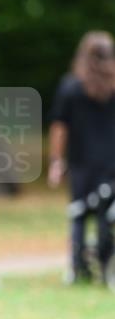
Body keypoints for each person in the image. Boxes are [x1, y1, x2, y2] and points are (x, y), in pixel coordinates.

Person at [48, 30, 115, 283]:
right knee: (106, 214)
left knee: (78, 215)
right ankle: (106, 263)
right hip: (111, 163)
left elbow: (59, 127)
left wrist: (56, 160)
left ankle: (78, 267)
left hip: (81, 163)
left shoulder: (71, 87)